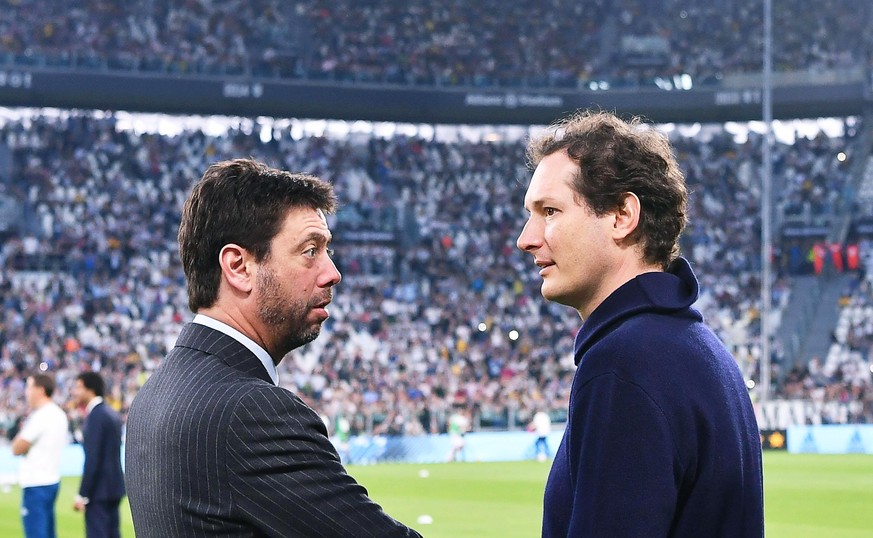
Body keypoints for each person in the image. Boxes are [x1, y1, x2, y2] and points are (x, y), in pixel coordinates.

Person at [125, 158, 421, 537]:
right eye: (310, 250)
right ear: (239, 267)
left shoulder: (158, 390)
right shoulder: (251, 412)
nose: (333, 273)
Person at [516, 110, 764, 537]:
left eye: (550, 211)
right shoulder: (696, 345)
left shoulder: (624, 363)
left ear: (621, 216)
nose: (526, 238)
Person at [12, 373, 70, 538]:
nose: (26, 392)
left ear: (40, 390)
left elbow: (17, 448)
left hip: (36, 483)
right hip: (52, 479)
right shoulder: (59, 414)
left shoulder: (41, 416)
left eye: (29, 387)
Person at [71, 371, 125, 538]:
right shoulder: (111, 413)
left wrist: (83, 493)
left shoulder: (96, 416)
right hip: (114, 487)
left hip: (99, 491)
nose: (75, 392)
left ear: (90, 389)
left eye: (78, 387)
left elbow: (93, 458)